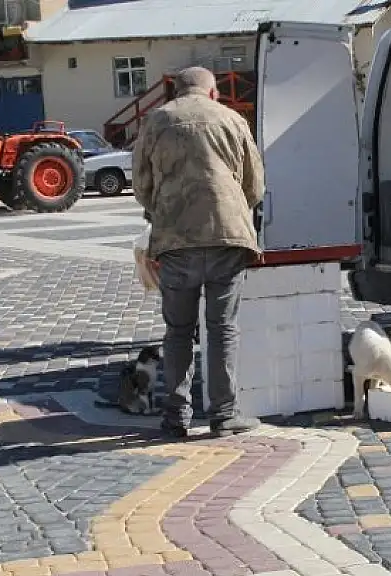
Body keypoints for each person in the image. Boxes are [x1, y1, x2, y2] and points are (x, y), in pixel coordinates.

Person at [132, 66, 266, 439]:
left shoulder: (157, 121)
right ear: (213, 94)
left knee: (178, 331)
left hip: (175, 241)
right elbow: (255, 185)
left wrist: (163, 210)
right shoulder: (233, 120)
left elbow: (141, 185)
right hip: (227, 237)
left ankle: (176, 416)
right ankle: (224, 415)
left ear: (174, 92)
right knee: (222, 327)